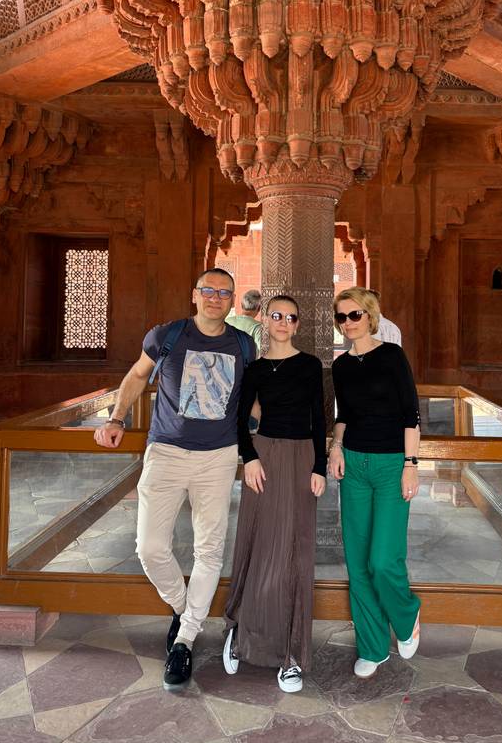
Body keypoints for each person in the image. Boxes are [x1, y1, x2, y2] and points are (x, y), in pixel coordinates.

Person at [93, 268, 256, 691]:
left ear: (232, 301)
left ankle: (184, 641)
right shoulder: (167, 336)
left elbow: (253, 399)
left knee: (209, 549)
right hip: (165, 452)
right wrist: (116, 417)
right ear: (194, 295)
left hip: (218, 457)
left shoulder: (243, 344)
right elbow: (135, 376)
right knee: (149, 547)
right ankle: (186, 609)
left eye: (224, 293)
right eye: (209, 290)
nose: (215, 298)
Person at [222, 295, 327, 692]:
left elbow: (319, 416)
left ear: (298, 325)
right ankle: (240, 631)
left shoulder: (310, 365)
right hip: (263, 458)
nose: (283, 322)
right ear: (265, 320)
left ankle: (290, 656)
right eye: (276, 315)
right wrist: (249, 458)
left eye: (291, 317)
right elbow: (238, 417)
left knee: (294, 554)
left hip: (301, 460)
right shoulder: (256, 368)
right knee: (259, 545)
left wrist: (319, 465)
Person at [328, 286, 422, 678]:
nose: (348, 323)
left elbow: (410, 413)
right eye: (342, 317)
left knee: (383, 560)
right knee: (358, 562)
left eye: (355, 315)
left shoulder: (391, 356)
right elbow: (344, 413)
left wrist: (411, 464)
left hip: (389, 465)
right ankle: (371, 646)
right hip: (353, 465)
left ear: (370, 316)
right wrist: (335, 448)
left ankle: (406, 614)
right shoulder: (342, 366)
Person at [225, 288, 264, 354]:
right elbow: (264, 351)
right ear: (259, 308)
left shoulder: (227, 321)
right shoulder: (258, 327)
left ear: (241, 305)